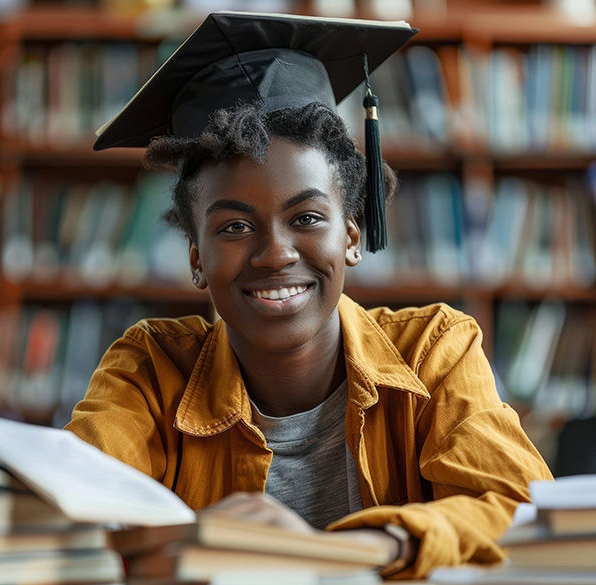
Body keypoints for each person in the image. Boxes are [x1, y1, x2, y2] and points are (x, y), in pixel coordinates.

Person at [66, 12, 552, 579]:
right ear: (195, 257)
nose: (275, 254)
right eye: (234, 227)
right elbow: (76, 509)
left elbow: (521, 516)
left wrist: (347, 552)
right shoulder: (149, 372)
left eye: (307, 217)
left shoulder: (435, 353)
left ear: (350, 234)